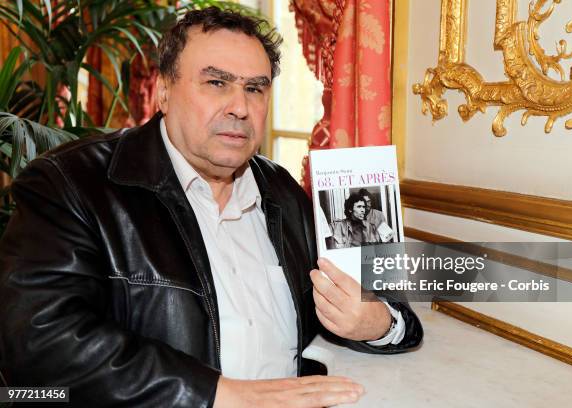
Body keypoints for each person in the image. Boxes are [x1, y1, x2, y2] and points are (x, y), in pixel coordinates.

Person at [0, 7, 423, 407]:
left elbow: (390, 302)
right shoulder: (70, 184)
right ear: (164, 91)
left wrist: (376, 323)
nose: (240, 107)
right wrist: (215, 394)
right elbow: (40, 345)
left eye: (254, 88)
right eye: (217, 83)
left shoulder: (285, 191)